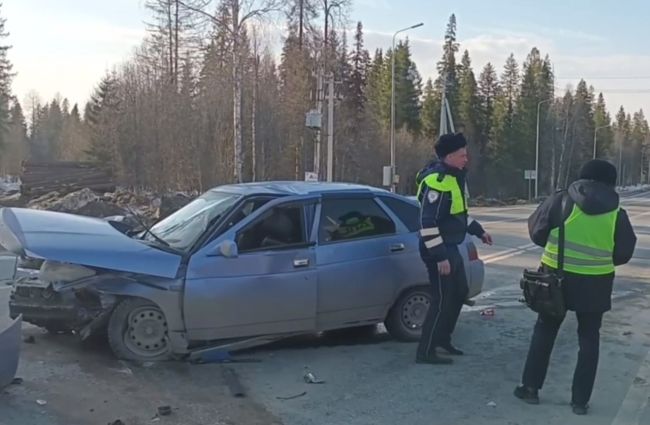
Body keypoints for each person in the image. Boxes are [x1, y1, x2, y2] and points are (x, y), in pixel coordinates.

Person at [514, 159, 637, 415]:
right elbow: (624, 252)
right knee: (589, 339)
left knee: (545, 331)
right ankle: (579, 402)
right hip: (596, 282)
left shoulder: (561, 201)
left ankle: (530, 388)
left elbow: (537, 232)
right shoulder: (616, 213)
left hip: (554, 278)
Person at [415, 133, 493, 365]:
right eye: (462, 155)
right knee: (440, 300)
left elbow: (458, 216)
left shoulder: (454, 178)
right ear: (449, 156)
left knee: (459, 293)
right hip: (438, 250)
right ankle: (425, 351)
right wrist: (439, 257)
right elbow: (427, 223)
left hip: (451, 246)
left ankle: (442, 339)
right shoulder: (437, 182)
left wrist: (479, 231)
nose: (466, 159)